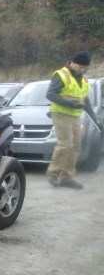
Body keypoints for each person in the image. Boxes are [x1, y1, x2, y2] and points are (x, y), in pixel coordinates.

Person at [45, 51, 96, 189]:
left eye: (84, 68)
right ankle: (53, 173)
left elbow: (85, 99)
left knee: (75, 146)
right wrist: (69, 103)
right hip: (61, 114)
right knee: (65, 144)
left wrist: (94, 119)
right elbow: (50, 94)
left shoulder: (83, 78)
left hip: (75, 115)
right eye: (80, 66)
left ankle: (67, 178)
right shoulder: (61, 75)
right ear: (72, 62)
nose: (82, 70)